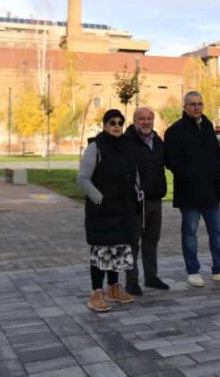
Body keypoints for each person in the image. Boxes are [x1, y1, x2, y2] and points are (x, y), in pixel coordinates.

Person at [164, 91, 220, 286]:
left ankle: (219, 268)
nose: (197, 107)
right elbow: (171, 160)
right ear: (185, 107)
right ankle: (193, 271)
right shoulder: (175, 130)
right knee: (190, 232)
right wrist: (190, 174)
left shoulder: (207, 125)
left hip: (210, 191)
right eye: (192, 104)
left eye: (200, 104)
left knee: (217, 231)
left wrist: (217, 171)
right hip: (189, 191)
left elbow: (215, 153)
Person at [76, 109, 137, 312]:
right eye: (112, 122)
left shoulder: (127, 146)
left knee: (117, 251)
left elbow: (133, 172)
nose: (117, 126)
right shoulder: (96, 147)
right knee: (101, 253)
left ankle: (114, 288)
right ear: (104, 125)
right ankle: (96, 293)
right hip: (101, 212)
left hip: (123, 210)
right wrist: (99, 200)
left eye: (120, 122)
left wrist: (136, 190)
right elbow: (82, 179)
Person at [124, 106, 170, 296]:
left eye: (149, 119)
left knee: (152, 240)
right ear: (134, 121)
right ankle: (131, 282)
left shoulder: (158, 141)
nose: (145, 122)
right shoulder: (127, 142)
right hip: (135, 202)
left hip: (155, 200)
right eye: (141, 119)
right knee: (132, 242)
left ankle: (151, 277)